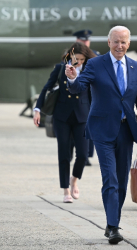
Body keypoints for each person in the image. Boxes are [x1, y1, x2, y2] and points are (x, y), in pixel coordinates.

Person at [65, 26, 137, 245]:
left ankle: (113, 220)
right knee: (110, 179)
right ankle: (113, 226)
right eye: (116, 41)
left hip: (126, 130)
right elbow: (79, 88)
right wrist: (73, 78)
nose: (119, 45)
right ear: (108, 42)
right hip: (102, 130)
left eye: (123, 42)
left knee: (122, 181)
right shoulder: (95, 64)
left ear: (128, 43)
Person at [33, 42, 96, 203]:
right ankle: (66, 190)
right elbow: (47, 88)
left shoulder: (89, 69)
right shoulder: (60, 68)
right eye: (78, 58)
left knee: (83, 154)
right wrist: (37, 109)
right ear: (71, 55)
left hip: (82, 116)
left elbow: (94, 94)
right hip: (62, 117)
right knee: (64, 154)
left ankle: (74, 179)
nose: (80, 62)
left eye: (83, 59)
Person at [73, 29, 100, 165]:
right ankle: (79, 152)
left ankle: (87, 155)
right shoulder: (71, 55)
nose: (85, 42)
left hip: (91, 96)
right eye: (82, 40)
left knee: (90, 125)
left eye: (86, 40)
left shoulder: (95, 55)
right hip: (75, 95)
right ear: (77, 41)